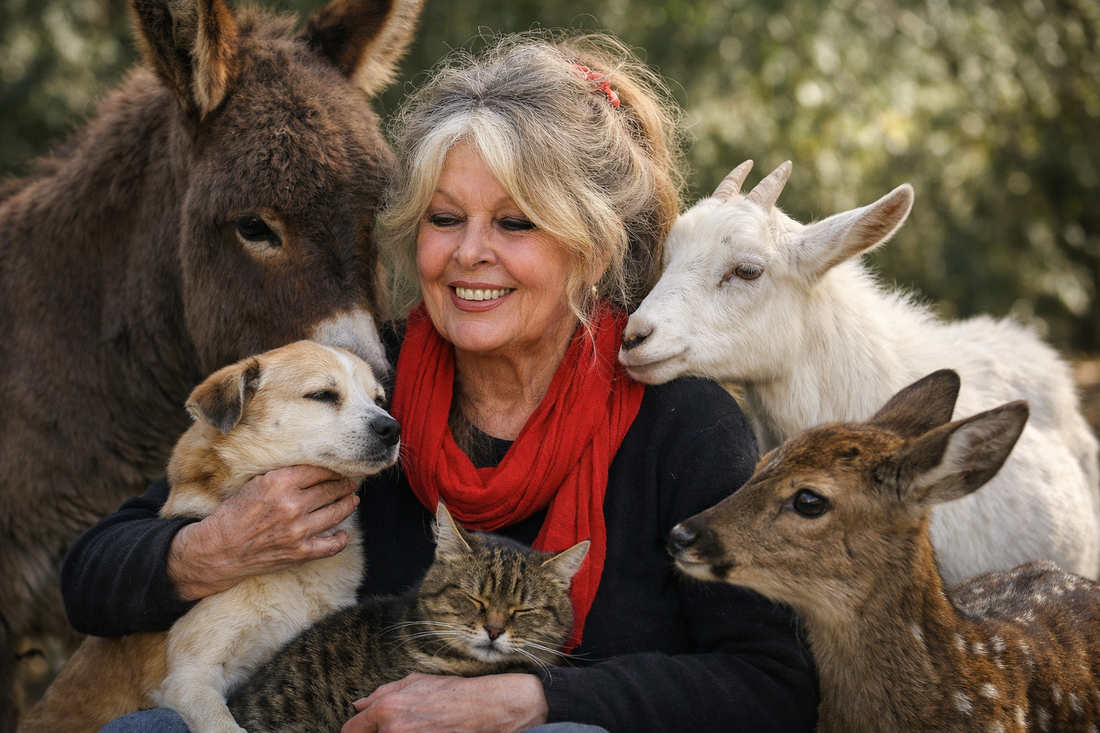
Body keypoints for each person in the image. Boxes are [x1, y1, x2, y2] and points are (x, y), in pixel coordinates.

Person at [61, 32, 818, 732]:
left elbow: (769, 681)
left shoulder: (681, 420)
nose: (469, 253)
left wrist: (529, 697)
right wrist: (206, 548)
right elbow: (91, 573)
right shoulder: (355, 388)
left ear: (589, 250)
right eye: (445, 218)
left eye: (515, 224)